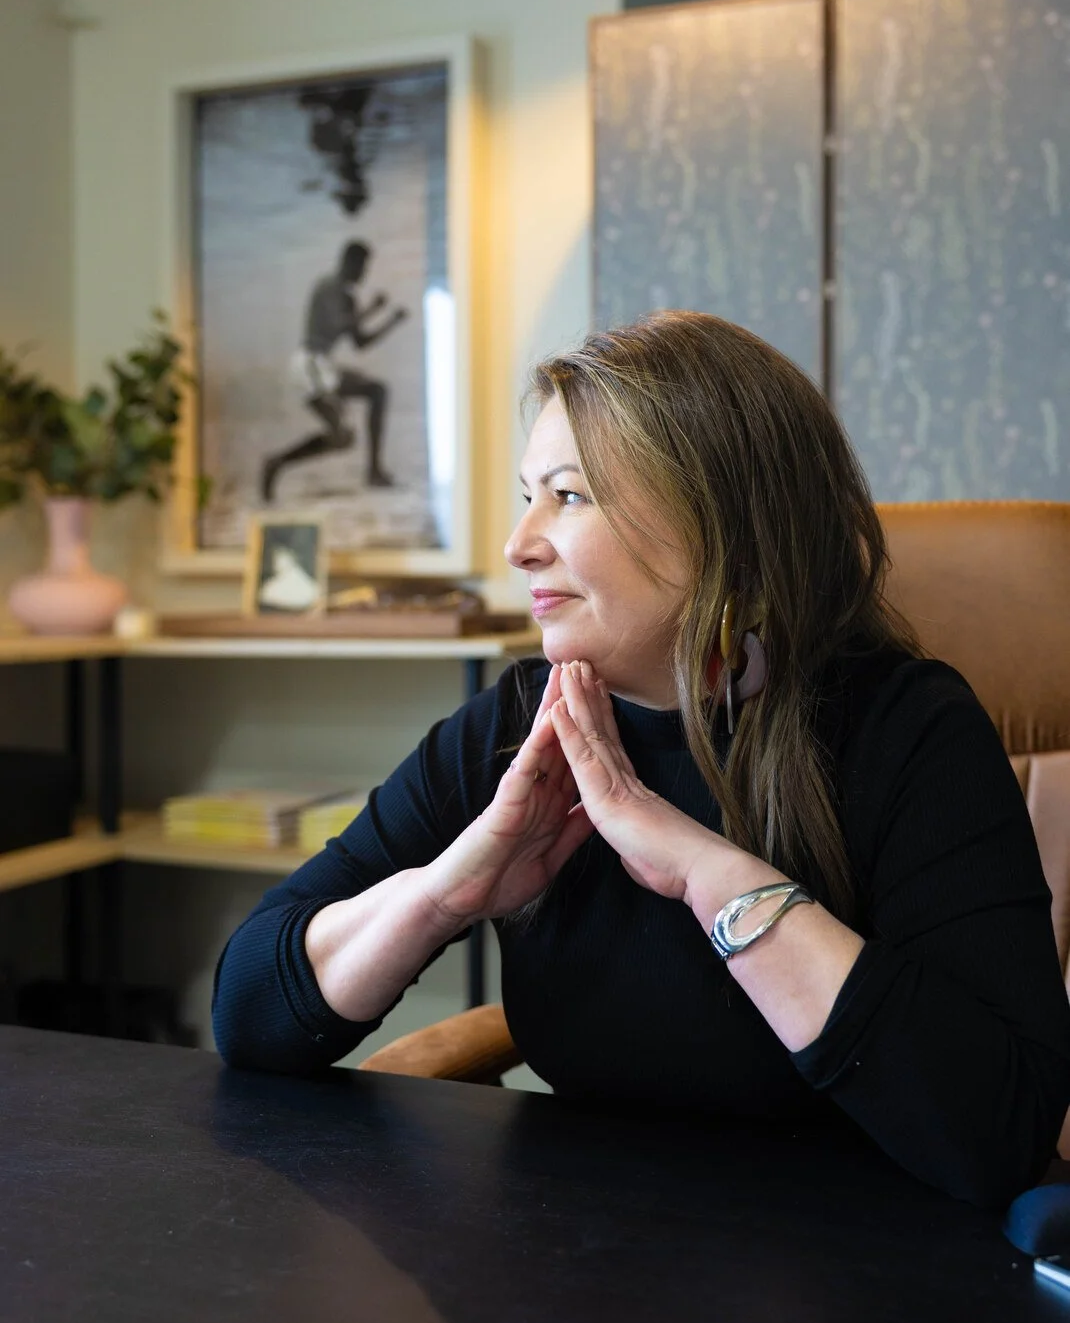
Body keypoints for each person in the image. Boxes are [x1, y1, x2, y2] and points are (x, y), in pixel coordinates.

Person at [214, 311, 1070, 1209]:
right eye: (527, 493)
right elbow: (249, 1015)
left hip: (867, 1273)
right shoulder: (518, 728)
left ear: (724, 522)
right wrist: (445, 894)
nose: (519, 543)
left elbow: (999, 1136)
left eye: (570, 496)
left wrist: (707, 873)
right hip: (584, 1260)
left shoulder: (910, 731)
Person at [261, 241, 408, 501]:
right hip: (309, 364)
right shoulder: (328, 287)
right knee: (341, 435)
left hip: (324, 366)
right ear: (349, 262)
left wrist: (391, 322)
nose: (364, 272)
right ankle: (275, 462)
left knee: (375, 394)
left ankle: (374, 469)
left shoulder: (349, 297)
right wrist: (372, 309)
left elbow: (360, 342)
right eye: (362, 266)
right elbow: (336, 326)